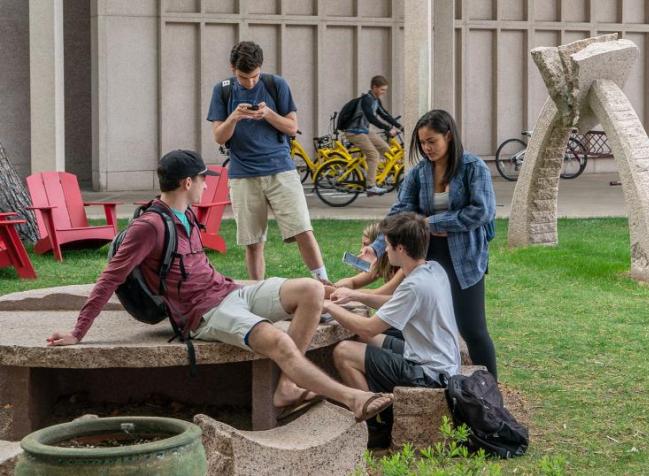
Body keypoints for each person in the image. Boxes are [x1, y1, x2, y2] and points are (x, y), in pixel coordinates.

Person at [46, 150, 393, 422]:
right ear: (186, 182)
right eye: (202, 179)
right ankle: (354, 399)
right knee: (278, 341)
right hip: (204, 314)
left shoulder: (188, 215)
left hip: (228, 293)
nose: (206, 184)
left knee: (312, 290)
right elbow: (110, 276)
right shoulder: (149, 226)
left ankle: (287, 387)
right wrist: (79, 331)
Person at [365, 109, 499, 377]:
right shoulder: (419, 173)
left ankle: (491, 391)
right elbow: (400, 212)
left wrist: (432, 223)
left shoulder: (474, 168)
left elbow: (482, 211)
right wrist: (377, 247)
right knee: (417, 320)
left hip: (466, 260)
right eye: (422, 142)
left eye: (432, 141)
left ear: (448, 136)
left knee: (472, 328)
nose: (426, 148)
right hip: (427, 256)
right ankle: (429, 375)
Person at [326, 213, 462, 448]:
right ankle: (375, 409)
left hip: (429, 375)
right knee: (359, 339)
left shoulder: (413, 286)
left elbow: (369, 328)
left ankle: (376, 425)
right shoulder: (433, 269)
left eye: (387, 246)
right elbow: (396, 302)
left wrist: (326, 305)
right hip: (438, 360)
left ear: (400, 248)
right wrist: (354, 295)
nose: (385, 251)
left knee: (344, 351)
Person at [208, 41, 329, 283]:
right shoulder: (222, 90)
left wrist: (268, 114)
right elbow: (219, 136)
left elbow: (292, 127)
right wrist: (234, 117)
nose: (250, 82)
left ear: (260, 69)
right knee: (253, 242)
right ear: (233, 69)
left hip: (280, 170)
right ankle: (258, 291)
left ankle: (324, 285)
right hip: (242, 175)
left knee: (303, 230)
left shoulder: (276, 84)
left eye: (254, 76)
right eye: (244, 77)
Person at [342, 75, 403, 196]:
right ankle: (370, 186)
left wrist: (399, 126)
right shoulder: (366, 100)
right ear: (374, 87)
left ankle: (373, 171)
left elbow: (384, 115)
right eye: (382, 90)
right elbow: (371, 118)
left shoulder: (376, 100)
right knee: (373, 154)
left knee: (386, 149)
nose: (384, 92)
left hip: (363, 130)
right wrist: (388, 128)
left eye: (385, 90)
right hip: (353, 131)